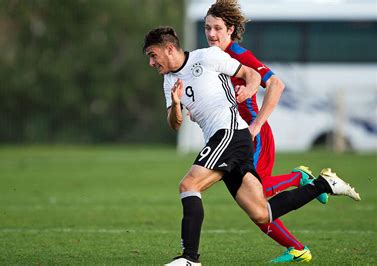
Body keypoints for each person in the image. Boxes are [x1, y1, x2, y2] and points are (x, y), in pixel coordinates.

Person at [143, 26, 360, 266]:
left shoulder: (207, 57)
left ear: (170, 48)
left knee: (189, 184)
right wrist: (175, 104)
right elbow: (175, 124)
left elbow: (252, 74)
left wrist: (246, 91)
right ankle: (324, 184)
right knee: (261, 212)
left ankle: (190, 258)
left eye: (153, 55)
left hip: (230, 133)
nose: (151, 63)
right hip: (227, 140)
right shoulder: (169, 81)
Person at [203, 0, 328, 262]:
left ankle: (299, 178)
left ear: (231, 29)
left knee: (256, 198)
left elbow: (277, 85)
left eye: (217, 28)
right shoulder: (212, 57)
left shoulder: (239, 54)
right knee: (256, 205)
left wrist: (256, 125)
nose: (211, 34)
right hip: (233, 137)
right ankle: (297, 248)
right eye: (207, 28)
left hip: (252, 135)